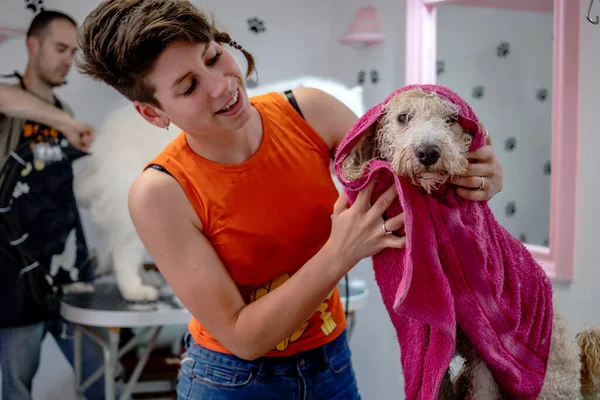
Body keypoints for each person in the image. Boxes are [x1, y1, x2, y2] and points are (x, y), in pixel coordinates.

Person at [77, 1, 504, 398]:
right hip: (233, 382)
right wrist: (340, 252)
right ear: (153, 113)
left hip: (332, 362)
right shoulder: (159, 194)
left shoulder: (310, 112)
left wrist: (477, 172)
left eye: (212, 57)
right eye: (189, 87)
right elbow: (244, 337)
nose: (222, 85)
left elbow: (409, 180)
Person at [0, 10, 105, 400]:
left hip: (70, 273)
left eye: (73, 52)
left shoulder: (66, 113)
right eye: (60, 48)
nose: (68, 60)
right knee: (16, 390)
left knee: (100, 378)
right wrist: (62, 122)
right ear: (32, 44)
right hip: (17, 280)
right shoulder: (10, 103)